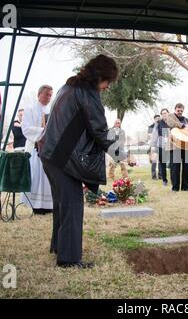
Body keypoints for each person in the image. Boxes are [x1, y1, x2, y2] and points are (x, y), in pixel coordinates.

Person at [38, 54, 118, 268]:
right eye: (108, 81)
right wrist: (120, 153)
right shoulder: (87, 93)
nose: (107, 87)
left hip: (50, 154)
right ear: (100, 76)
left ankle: (58, 246)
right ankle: (69, 259)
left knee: (62, 204)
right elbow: (100, 130)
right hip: (63, 158)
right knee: (72, 205)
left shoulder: (69, 86)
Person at [21, 85, 54, 215]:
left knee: (48, 178)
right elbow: (26, 128)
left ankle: (49, 205)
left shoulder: (52, 109)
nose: (49, 97)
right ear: (39, 94)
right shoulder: (30, 109)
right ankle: (36, 205)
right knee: (36, 176)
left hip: (49, 149)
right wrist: (45, 132)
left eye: (51, 95)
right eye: (47, 94)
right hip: (35, 148)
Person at [166, 103, 188, 192]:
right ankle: (175, 188)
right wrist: (182, 125)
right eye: (178, 110)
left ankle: (185, 187)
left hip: (186, 145)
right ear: (175, 109)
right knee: (175, 167)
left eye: (181, 111)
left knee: (186, 167)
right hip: (175, 145)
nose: (180, 112)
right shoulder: (170, 116)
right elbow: (170, 123)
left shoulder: (186, 119)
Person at [150, 108, 170, 186]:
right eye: (162, 113)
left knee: (173, 163)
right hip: (161, 145)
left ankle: (173, 178)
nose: (164, 114)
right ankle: (164, 180)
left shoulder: (172, 121)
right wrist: (153, 146)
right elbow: (154, 134)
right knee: (163, 163)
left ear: (168, 113)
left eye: (165, 113)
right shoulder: (158, 123)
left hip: (171, 144)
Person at [148, 115, 161, 180]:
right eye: (156, 118)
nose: (158, 119)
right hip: (154, 146)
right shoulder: (150, 127)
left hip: (161, 145)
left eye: (159, 118)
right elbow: (150, 137)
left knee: (161, 161)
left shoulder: (161, 126)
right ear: (154, 119)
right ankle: (153, 176)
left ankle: (160, 175)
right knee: (154, 161)